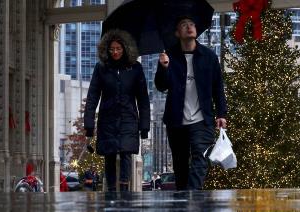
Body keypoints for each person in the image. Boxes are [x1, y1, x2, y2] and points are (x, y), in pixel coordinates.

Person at [155, 15, 228, 191]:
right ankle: (182, 207)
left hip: (202, 119)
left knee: (200, 158)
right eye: (184, 25)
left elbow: (218, 87)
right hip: (176, 120)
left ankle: (192, 196)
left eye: (191, 24)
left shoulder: (208, 57)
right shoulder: (169, 56)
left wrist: (222, 114)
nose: (189, 27)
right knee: (180, 165)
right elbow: (161, 85)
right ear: (177, 33)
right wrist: (164, 68)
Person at [84, 29, 150, 192]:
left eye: (118, 49)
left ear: (125, 49)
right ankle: (112, 191)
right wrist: (89, 125)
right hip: (108, 118)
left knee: (126, 152)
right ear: (106, 49)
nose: (115, 52)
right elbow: (92, 96)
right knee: (110, 154)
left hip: (129, 117)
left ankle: (125, 188)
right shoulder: (101, 69)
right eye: (112, 49)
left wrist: (144, 126)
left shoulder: (135, 68)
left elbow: (143, 98)